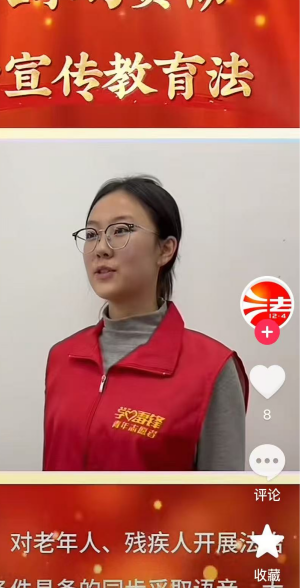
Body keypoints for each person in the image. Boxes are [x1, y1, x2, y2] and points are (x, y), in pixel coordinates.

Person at [43, 175, 249, 472]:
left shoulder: (212, 369)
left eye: (121, 230)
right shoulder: (63, 358)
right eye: (91, 234)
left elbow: (222, 497)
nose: (101, 248)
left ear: (165, 250)